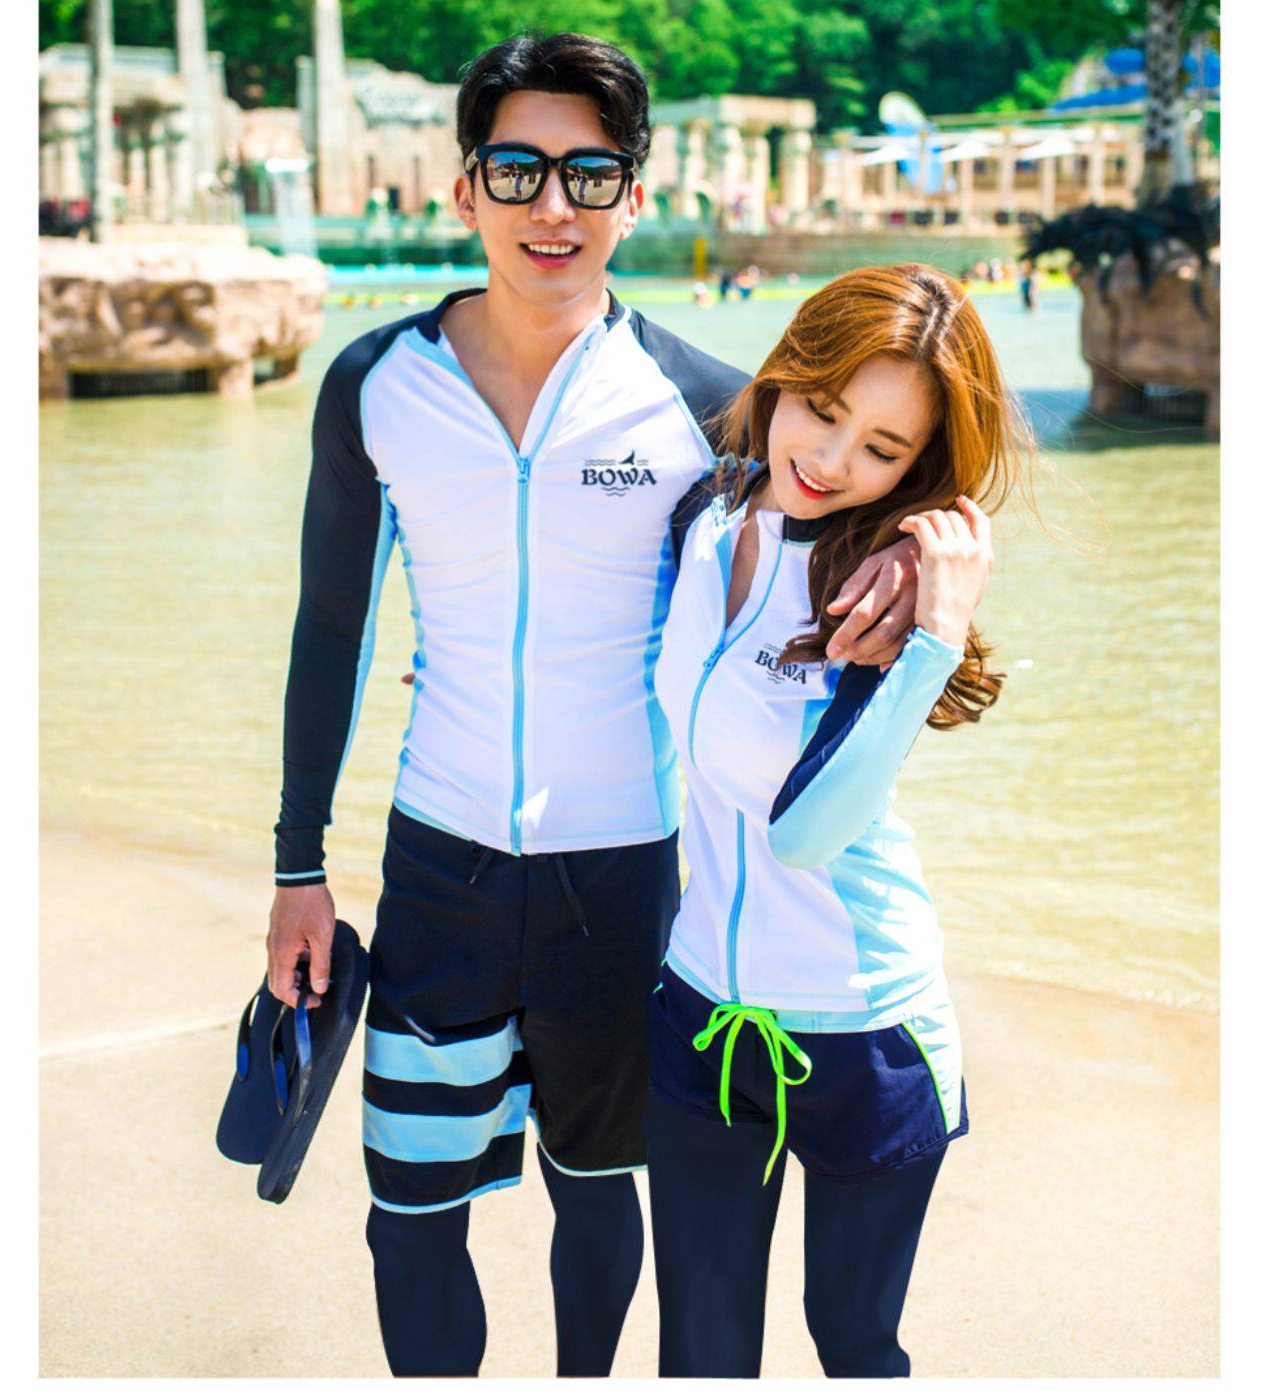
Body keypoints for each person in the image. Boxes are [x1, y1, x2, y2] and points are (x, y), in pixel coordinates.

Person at [266, 32, 922, 1379]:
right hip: (438, 865)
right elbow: (334, 629)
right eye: (518, 169)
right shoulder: (376, 385)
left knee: (598, 1192)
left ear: (636, 193)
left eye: (589, 172)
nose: (552, 205)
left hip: (622, 878)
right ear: (465, 190)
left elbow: (860, 482)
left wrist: (933, 553)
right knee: (409, 1211)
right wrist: (296, 868)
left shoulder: (706, 406)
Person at [647, 263, 1031, 1377]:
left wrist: (934, 643)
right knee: (701, 1353)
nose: (828, 459)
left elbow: (806, 834)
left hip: (869, 1035)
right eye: (822, 409)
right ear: (786, 373)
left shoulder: (875, 594)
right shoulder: (709, 514)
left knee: (854, 1346)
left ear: (917, 469)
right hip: (700, 1013)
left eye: (881, 448)